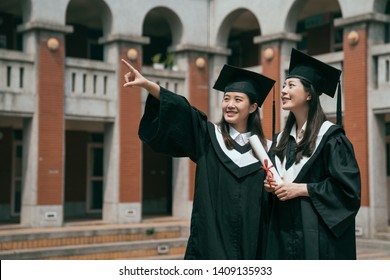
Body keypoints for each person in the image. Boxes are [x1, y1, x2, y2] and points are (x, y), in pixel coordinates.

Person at [121, 59, 275, 259]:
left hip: (254, 245)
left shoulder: (268, 151)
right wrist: (148, 85)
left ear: (253, 107)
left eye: (238, 100)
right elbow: (182, 110)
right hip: (211, 244)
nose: (230, 105)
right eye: (226, 98)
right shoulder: (208, 137)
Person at [263, 48, 361, 259]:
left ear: (309, 94)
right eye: (283, 85)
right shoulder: (281, 141)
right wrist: (270, 187)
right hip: (282, 235)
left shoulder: (332, 139)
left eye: (291, 85)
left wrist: (301, 189)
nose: (283, 91)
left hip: (316, 237)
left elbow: (347, 192)